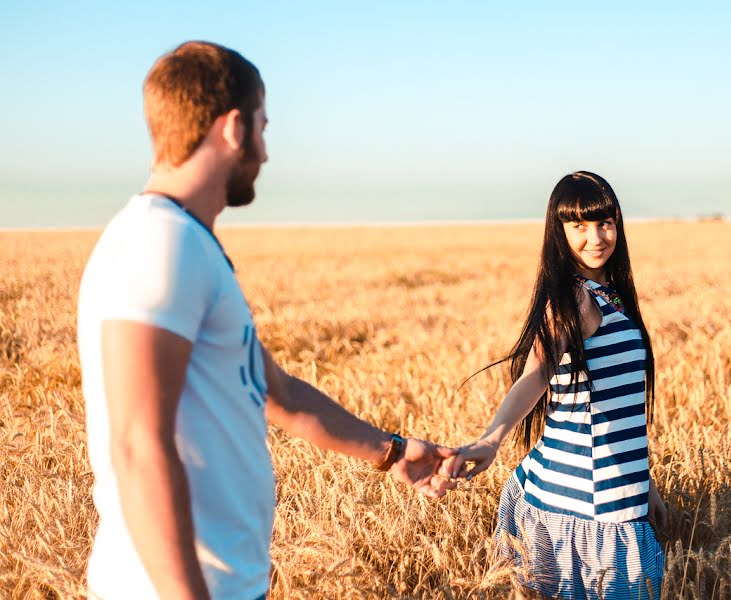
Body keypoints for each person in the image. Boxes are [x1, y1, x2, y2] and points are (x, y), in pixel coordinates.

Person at [78, 41, 457, 600]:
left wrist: (394, 451)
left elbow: (276, 392)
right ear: (233, 128)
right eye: (263, 126)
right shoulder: (158, 243)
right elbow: (137, 443)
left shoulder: (183, 242)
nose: (266, 151)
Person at [446, 172, 666, 599]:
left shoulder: (613, 296)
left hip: (619, 493)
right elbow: (536, 375)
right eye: (578, 226)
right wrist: (491, 440)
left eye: (604, 223)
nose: (596, 237)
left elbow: (619, 409)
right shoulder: (577, 302)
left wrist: (646, 484)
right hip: (583, 506)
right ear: (559, 232)